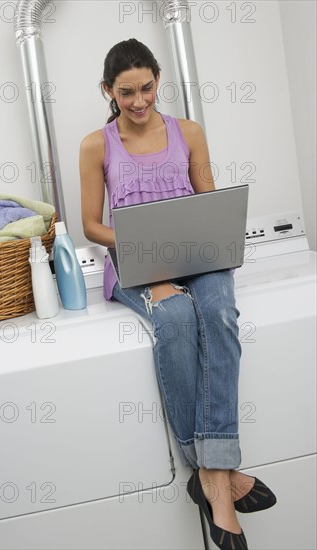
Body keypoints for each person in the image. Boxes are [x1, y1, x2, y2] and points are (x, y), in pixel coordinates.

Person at [80, 38, 276, 550]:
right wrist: (145, 244)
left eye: (147, 87)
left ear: (159, 79)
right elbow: (90, 226)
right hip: (137, 263)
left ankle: (206, 474)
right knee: (176, 318)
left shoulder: (188, 132)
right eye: (127, 93)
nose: (140, 100)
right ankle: (220, 479)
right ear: (108, 91)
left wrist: (198, 238)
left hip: (196, 254)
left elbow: (208, 204)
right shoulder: (96, 144)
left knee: (218, 313)